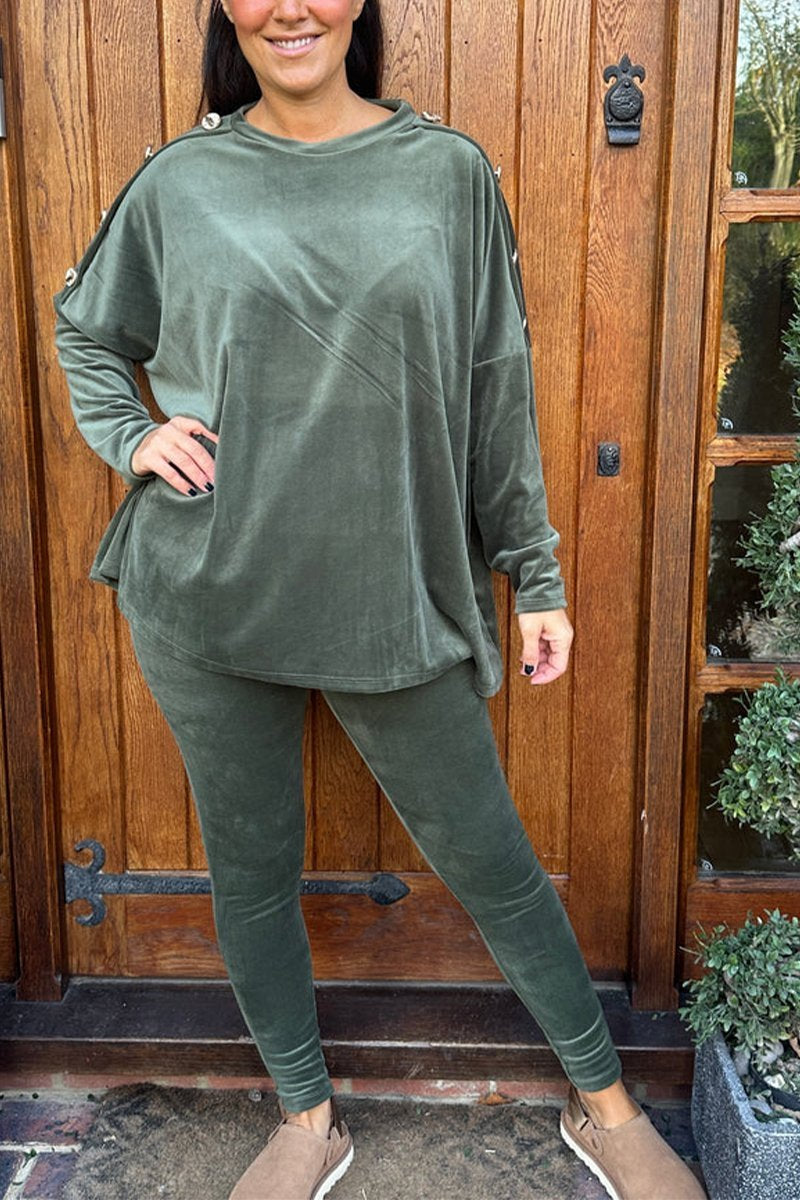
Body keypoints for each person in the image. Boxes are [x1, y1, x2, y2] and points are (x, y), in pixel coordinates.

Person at [51, 3, 707, 1199]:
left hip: (394, 594)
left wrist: (535, 574)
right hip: (206, 594)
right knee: (249, 872)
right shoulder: (180, 181)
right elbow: (87, 332)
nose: (289, 8)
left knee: (492, 861)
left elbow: (496, 385)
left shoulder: (446, 175)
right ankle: (306, 1116)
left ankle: (603, 1101)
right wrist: (134, 436)